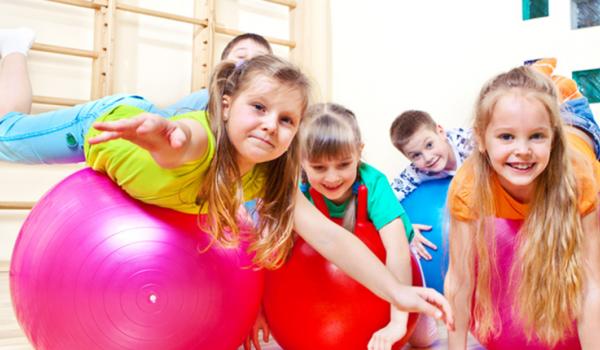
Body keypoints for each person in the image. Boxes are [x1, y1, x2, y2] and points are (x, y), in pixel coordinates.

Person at [84, 54, 454, 333]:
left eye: (286, 120)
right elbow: (182, 145)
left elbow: (331, 238)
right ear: (226, 106)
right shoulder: (199, 138)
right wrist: (168, 143)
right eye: (259, 108)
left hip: (155, 137)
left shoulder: (269, 175)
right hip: (104, 124)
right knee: (21, 137)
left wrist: (396, 292)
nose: (270, 126)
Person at [444, 66, 600, 349]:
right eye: (506, 137)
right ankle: (540, 75)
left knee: (566, 118)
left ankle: (558, 85)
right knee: (522, 104)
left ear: (552, 139)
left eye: (537, 137)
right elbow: (459, 283)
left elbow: (592, 286)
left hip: (579, 126)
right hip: (551, 121)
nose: (523, 150)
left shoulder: (578, 178)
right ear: (479, 139)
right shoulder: (468, 187)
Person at [0, 28, 271, 164]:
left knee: (9, 126)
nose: (247, 64)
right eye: (240, 57)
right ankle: (15, 48)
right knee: (3, 135)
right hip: (114, 120)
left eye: (259, 60)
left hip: (133, 141)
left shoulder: (259, 125)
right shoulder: (210, 101)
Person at [297, 102, 438, 349]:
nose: (332, 177)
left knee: (423, 340)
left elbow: (398, 252)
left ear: (359, 152)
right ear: (300, 160)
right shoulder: (301, 194)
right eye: (319, 168)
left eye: (343, 164)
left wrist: (398, 321)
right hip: (336, 288)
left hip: (397, 273)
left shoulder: (374, 184)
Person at [389, 110, 472, 260]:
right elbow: (384, 202)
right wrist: (406, 228)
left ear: (440, 132)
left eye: (429, 145)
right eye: (416, 155)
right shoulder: (416, 172)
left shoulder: (470, 143)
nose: (427, 158)